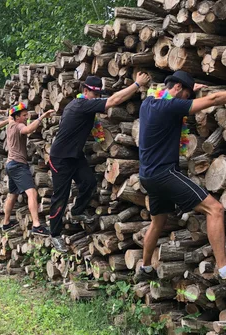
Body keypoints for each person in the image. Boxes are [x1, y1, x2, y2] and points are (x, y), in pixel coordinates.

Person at [135, 70, 226, 282]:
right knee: (215, 209)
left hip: (147, 175)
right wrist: (192, 97)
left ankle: (145, 268)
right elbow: (213, 98)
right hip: (164, 173)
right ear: (177, 88)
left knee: (158, 221)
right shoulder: (170, 106)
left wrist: (189, 90)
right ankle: (224, 270)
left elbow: (177, 96)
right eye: (186, 96)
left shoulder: (149, 103)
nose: (187, 101)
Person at [49, 73, 150, 252]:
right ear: (85, 91)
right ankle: (55, 235)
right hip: (60, 158)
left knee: (88, 182)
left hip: (74, 155)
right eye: (95, 95)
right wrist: (137, 84)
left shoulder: (82, 104)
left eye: (98, 95)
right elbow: (112, 101)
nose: (97, 98)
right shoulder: (81, 105)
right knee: (60, 197)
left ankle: (77, 211)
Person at [3, 102, 53, 233]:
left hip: (10, 164)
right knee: (32, 192)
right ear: (17, 117)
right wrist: (41, 117)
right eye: (24, 115)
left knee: (12, 194)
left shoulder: (10, 124)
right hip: (18, 165)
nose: (27, 117)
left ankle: (6, 223)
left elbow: (10, 115)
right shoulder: (19, 125)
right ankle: (37, 225)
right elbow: (28, 130)